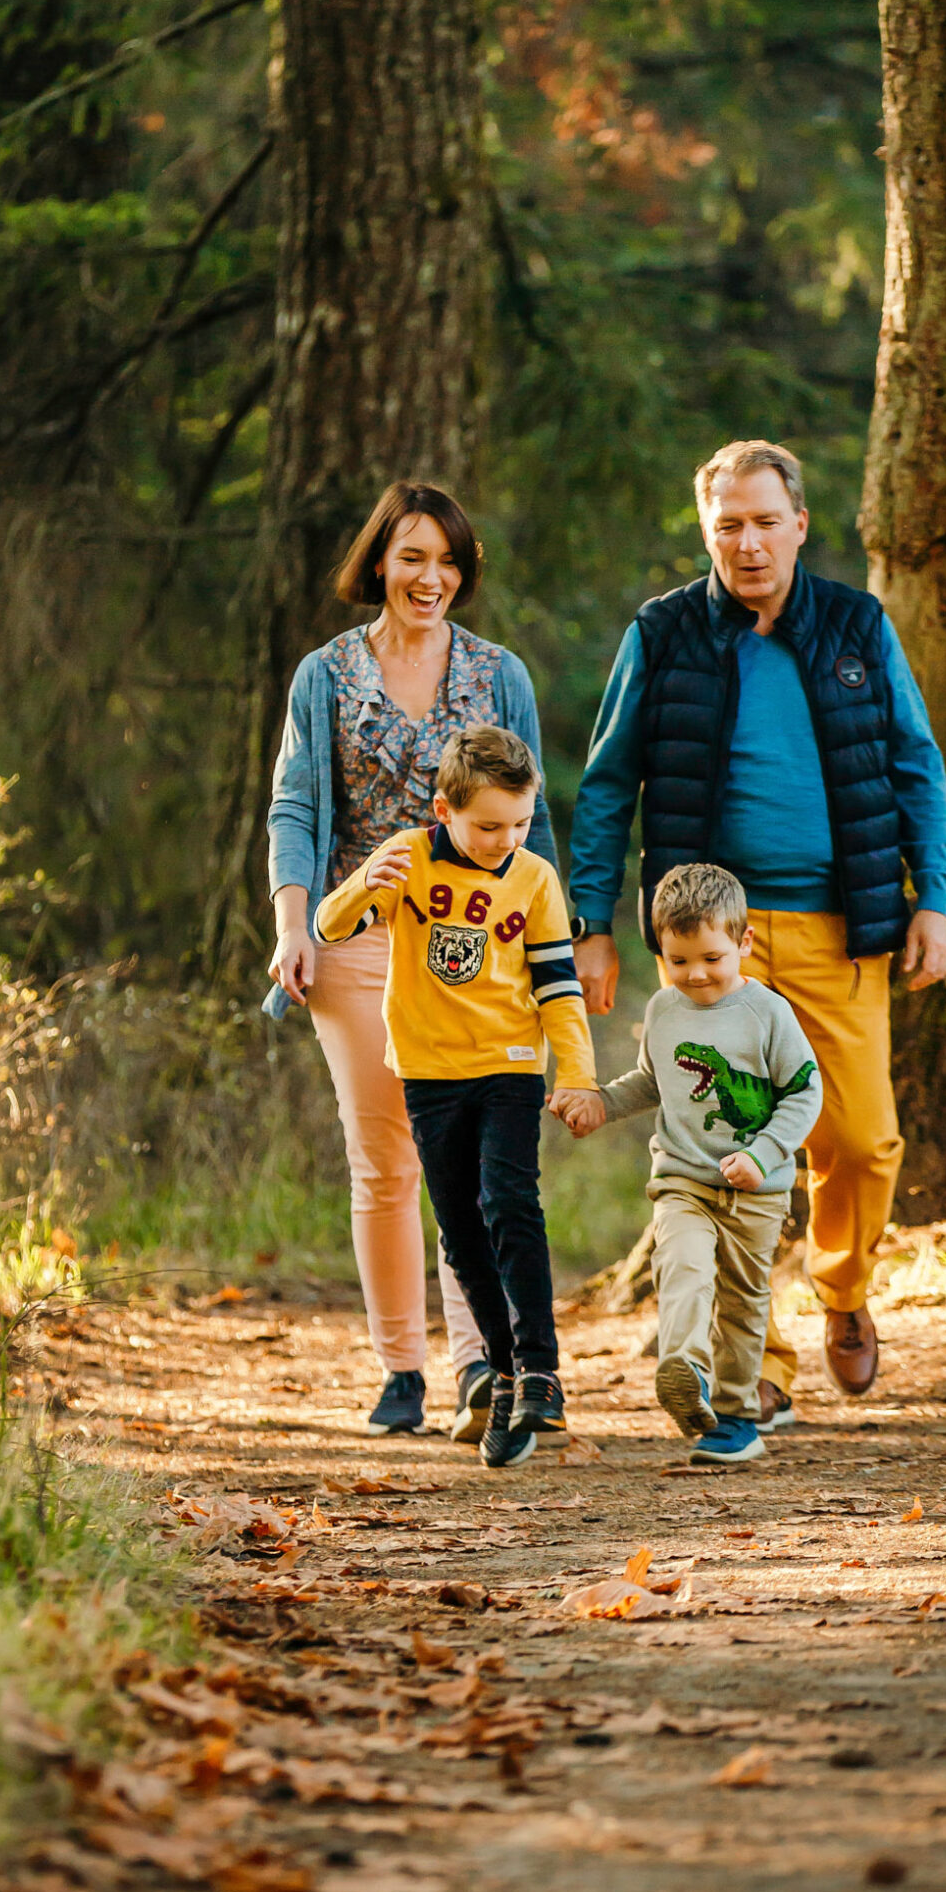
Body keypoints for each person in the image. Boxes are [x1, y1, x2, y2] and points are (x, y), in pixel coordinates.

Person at [566, 439, 946, 1410]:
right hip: (709, 948)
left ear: (798, 526)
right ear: (706, 531)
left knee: (860, 1141)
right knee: (720, 1150)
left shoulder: (856, 626)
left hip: (842, 923)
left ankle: (845, 1291)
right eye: (725, 524)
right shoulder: (661, 635)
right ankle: (759, 1362)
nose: (746, 542)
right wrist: (591, 921)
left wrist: (935, 898)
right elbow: (608, 782)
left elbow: (915, 764)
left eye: (762, 521)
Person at [266, 482, 559, 1441]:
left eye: (446, 560)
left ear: (463, 570)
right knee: (385, 1158)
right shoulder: (326, 674)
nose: (430, 578)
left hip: (478, 943)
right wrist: (293, 926)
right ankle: (401, 1368)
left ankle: (483, 1361)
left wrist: (553, 937)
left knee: (468, 1161)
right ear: (379, 564)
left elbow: (532, 818)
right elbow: (299, 810)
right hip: (357, 937)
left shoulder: (497, 673)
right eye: (411, 558)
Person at [313, 724, 595, 1470]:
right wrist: (361, 883)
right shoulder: (403, 858)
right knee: (460, 1230)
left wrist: (576, 1073)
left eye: (521, 823)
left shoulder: (533, 878)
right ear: (444, 809)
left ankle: (540, 1372)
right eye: (489, 825)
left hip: (507, 1064)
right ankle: (500, 1378)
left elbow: (558, 989)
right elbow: (331, 927)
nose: (506, 839)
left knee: (509, 1201)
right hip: (429, 1073)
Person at [552, 862, 822, 1465]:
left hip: (757, 1189)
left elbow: (805, 1092)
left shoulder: (768, 1013)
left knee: (746, 1301)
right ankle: (684, 1370)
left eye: (711, 958)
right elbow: (653, 1081)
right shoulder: (665, 1011)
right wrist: (600, 1103)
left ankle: (734, 1416)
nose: (695, 975)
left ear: (743, 943)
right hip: (683, 1180)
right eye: (678, 962)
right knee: (683, 1269)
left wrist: (763, 1153)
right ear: (662, 954)